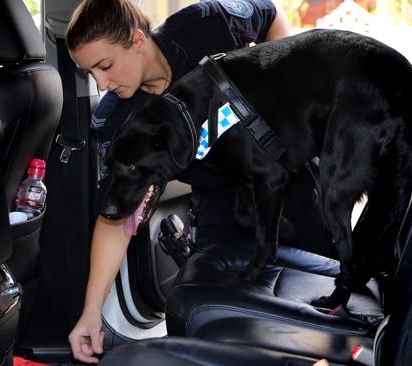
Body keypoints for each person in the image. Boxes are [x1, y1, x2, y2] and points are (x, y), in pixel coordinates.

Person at [65, 0, 293, 363]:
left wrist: (277, 87)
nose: (102, 83)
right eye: (89, 73)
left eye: (105, 66)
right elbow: (116, 217)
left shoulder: (206, 23)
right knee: (219, 324)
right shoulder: (121, 119)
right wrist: (91, 312)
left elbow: (270, 15)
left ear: (137, 40)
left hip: (286, 178)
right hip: (223, 204)